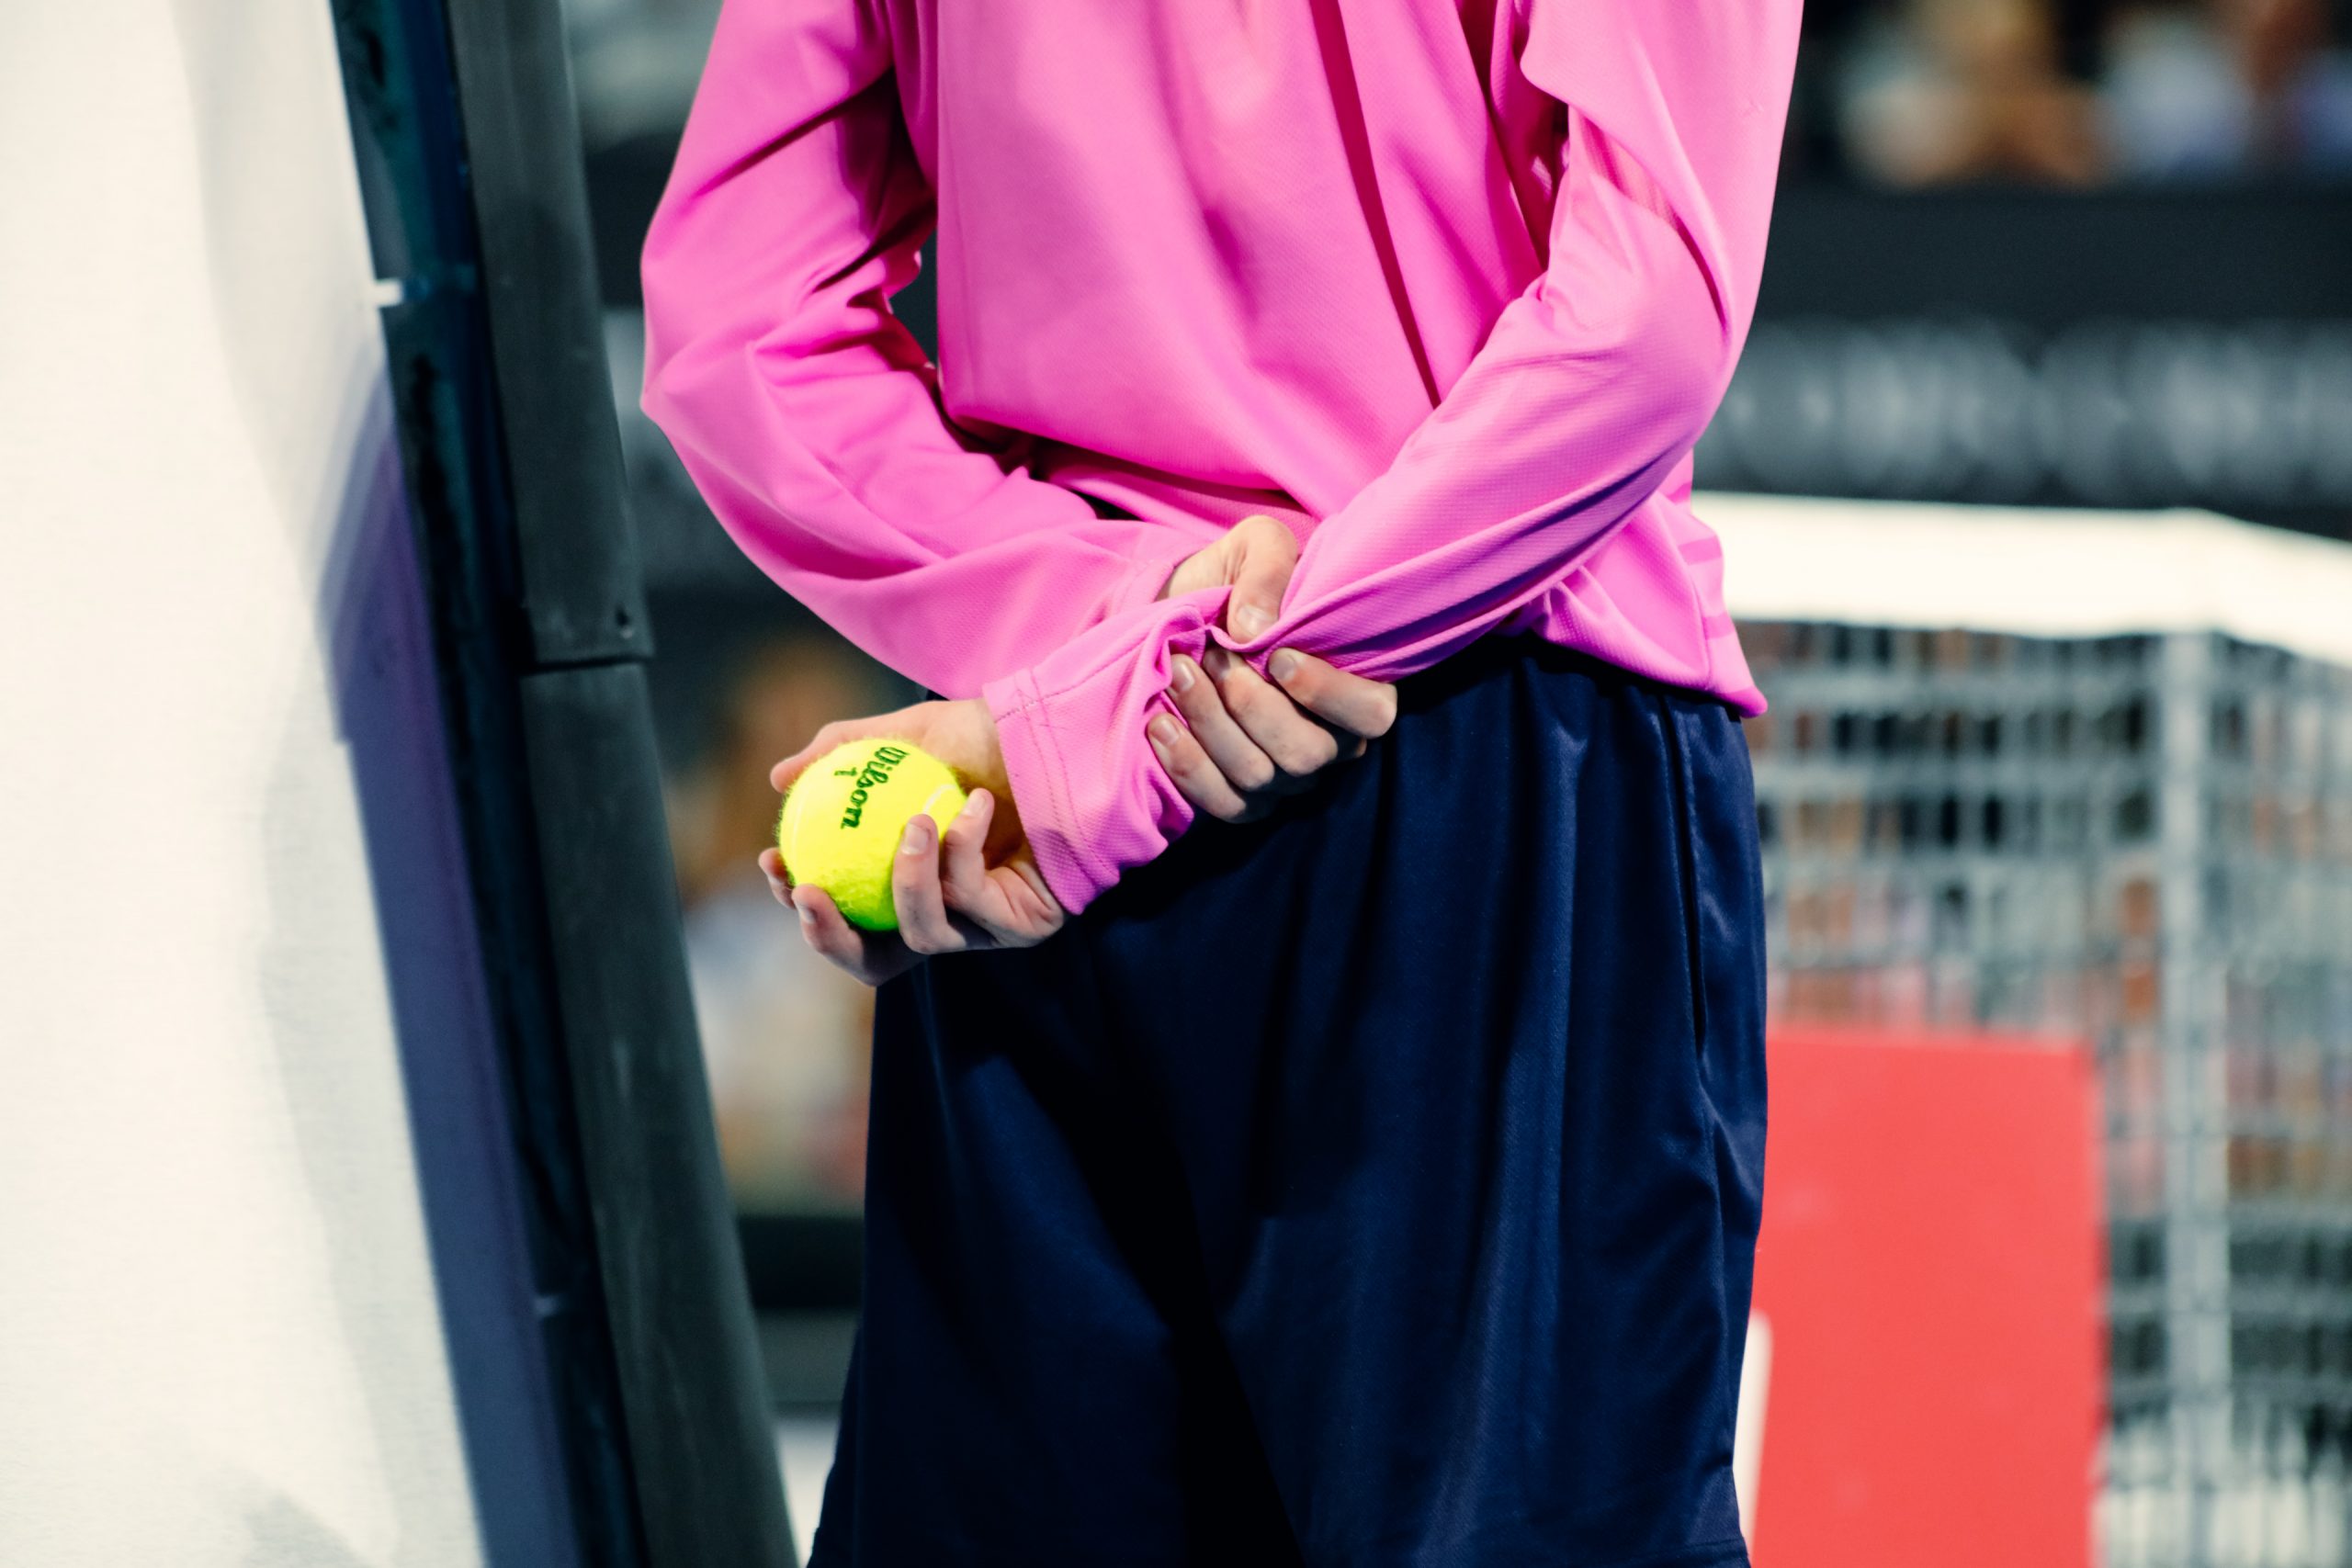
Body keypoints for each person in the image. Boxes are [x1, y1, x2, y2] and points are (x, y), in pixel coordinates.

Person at [639, 1, 1797, 1562]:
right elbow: (1647, 313)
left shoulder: (1072, 723)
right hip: (1482, 747)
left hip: (1043, 798)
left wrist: (1098, 658)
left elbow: (732, 331)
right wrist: (1186, 668)